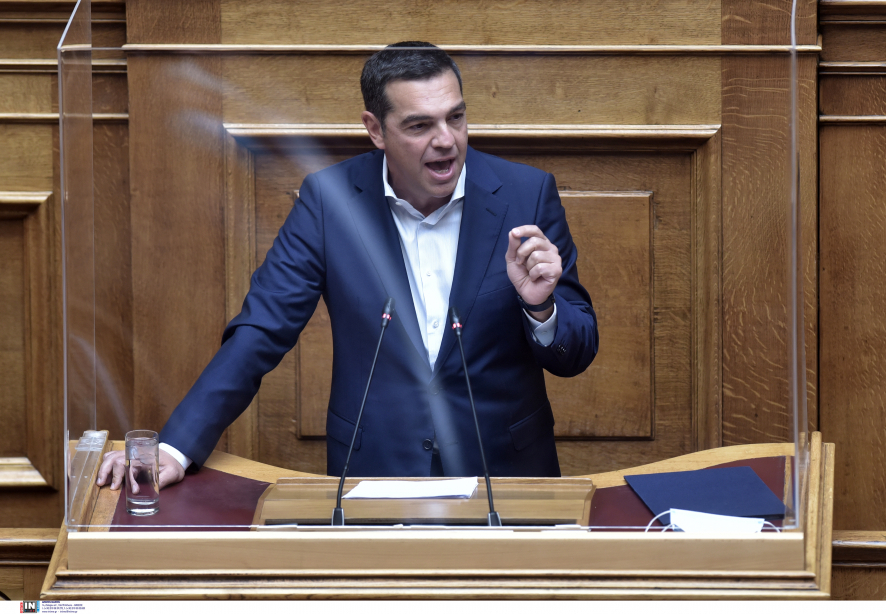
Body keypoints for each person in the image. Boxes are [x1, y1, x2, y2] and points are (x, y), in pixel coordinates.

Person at [98, 42, 598, 492]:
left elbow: (577, 351)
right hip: (376, 476)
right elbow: (262, 330)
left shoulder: (526, 194)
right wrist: (176, 446)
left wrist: (542, 309)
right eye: (420, 126)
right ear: (375, 129)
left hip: (508, 475)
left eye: (456, 117)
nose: (446, 140)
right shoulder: (328, 202)